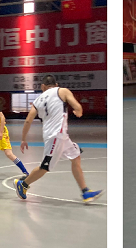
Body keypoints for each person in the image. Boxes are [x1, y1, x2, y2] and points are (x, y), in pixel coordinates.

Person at [15, 75, 103, 203]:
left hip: (60, 136)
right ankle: (23, 184)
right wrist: (78, 111)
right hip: (55, 136)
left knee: (76, 157)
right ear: (56, 85)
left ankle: (85, 192)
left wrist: (23, 139)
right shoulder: (62, 91)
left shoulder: (37, 100)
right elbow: (78, 107)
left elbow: (28, 121)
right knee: (45, 167)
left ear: (42, 87)